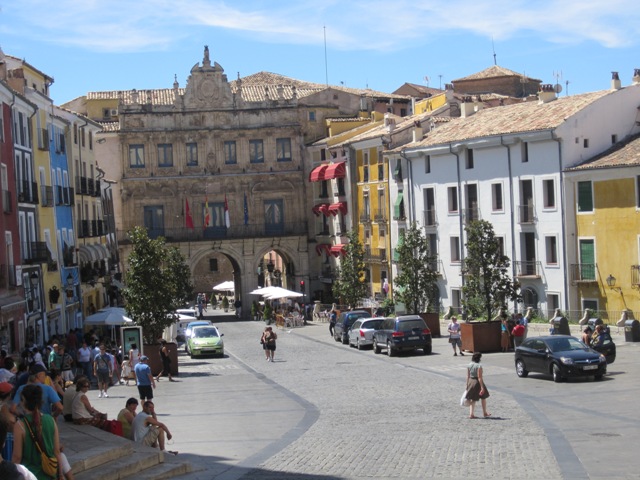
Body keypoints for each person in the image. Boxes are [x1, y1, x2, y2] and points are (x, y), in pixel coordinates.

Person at [12, 384, 62, 479]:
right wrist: (61, 475)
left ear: (24, 401)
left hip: (30, 474)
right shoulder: (50, 420)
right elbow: (56, 451)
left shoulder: (20, 425)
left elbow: (17, 457)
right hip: (50, 474)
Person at [465, 352, 490, 419]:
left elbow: (467, 376)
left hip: (470, 381)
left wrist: (467, 384)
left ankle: (471, 414)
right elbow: (479, 377)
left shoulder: (469, 365)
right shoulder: (479, 366)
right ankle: (484, 412)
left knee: (473, 398)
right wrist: (482, 387)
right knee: (483, 397)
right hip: (477, 382)